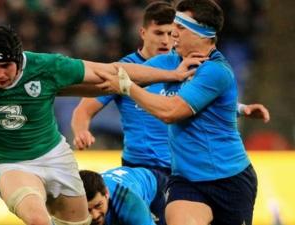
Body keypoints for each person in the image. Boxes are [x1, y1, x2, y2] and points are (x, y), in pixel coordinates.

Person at [0, 26, 200, 225]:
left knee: (81, 223)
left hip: (55, 156)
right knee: (37, 220)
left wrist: (173, 74)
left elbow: (110, 71)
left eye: (6, 66)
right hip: (10, 163)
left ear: (19, 59)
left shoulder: (46, 67)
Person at [72, 2, 269, 225]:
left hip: (229, 179)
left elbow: (171, 111)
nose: (172, 34)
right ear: (143, 33)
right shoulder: (168, 63)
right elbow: (114, 73)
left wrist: (126, 87)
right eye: (165, 29)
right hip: (182, 179)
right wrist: (70, 74)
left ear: (203, 33)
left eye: (180, 27)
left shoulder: (216, 70)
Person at [79, 167, 161, 225]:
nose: (95, 216)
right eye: (88, 210)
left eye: (98, 205)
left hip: (154, 188)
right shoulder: (72, 204)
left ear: (106, 194)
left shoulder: (130, 204)